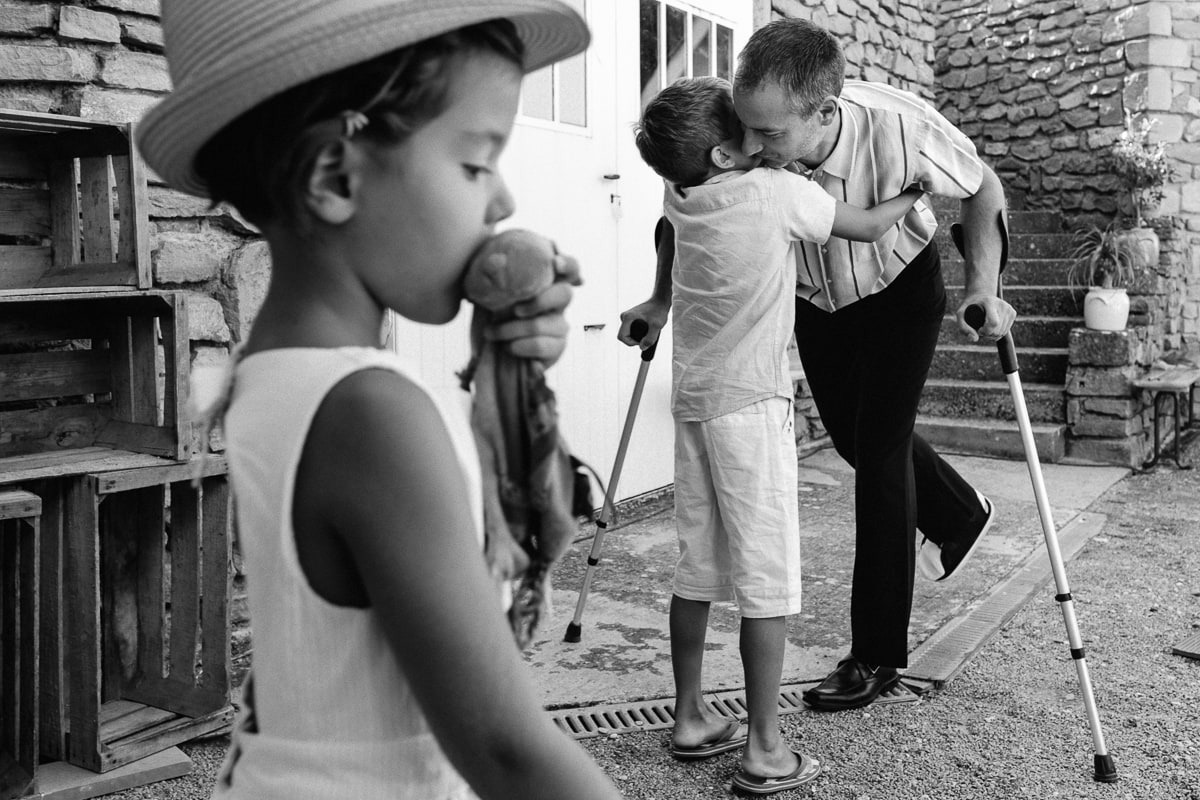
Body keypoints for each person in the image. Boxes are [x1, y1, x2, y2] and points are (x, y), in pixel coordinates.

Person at [135, 2, 624, 799]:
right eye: (475, 163)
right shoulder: (373, 411)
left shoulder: (276, 371)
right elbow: (505, 750)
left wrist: (505, 376)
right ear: (335, 176)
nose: (501, 201)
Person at [623, 17, 1018, 715]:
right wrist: (660, 301)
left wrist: (986, 288)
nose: (748, 147)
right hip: (815, 296)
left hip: (898, 286)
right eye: (744, 128)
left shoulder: (902, 127)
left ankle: (875, 654)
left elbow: (982, 188)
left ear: (823, 113)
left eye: (769, 135)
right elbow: (680, 211)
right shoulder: (736, 131)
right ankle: (958, 513)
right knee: (851, 439)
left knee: (883, 453)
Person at [628, 76, 922, 794]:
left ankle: (691, 716)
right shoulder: (775, 193)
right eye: (749, 134)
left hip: (696, 401)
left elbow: (666, 229)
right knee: (768, 576)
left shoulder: (681, 192)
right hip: (753, 409)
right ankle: (764, 748)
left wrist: (661, 295)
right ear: (728, 154)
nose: (764, 143)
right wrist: (910, 194)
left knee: (696, 565)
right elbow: (866, 225)